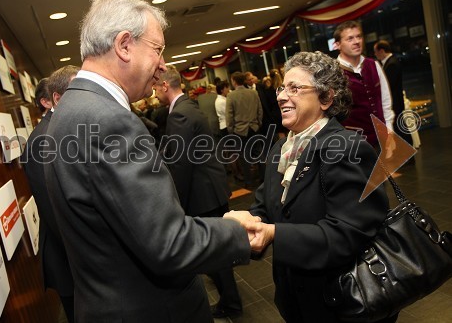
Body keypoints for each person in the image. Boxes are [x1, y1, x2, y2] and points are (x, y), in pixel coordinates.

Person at [44, 0, 255, 322]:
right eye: (157, 49)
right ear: (124, 45)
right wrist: (235, 230)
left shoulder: (70, 110)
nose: (162, 64)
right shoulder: (108, 119)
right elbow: (168, 243)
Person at [225, 51, 397, 323]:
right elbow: (266, 206)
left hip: (344, 303)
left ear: (326, 98)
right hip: (298, 301)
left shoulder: (347, 148)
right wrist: (250, 222)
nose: (281, 96)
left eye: (294, 88)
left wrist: (273, 234)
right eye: (282, 87)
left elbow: (348, 235)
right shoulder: (282, 148)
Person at [154, 65, 243, 319]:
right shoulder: (188, 107)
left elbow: (181, 164)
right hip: (211, 187)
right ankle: (230, 297)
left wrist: (176, 202)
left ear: (164, 86)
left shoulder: (179, 114)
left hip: (202, 192)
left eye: (155, 88)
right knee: (216, 250)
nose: (154, 94)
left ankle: (231, 303)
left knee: (215, 253)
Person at [22, 65, 79, 323]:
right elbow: (55, 210)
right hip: (72, 260)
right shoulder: (43, 141)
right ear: (55, 100)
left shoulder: (63, 128)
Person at [334, 21, 395, 151]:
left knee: (385, 171)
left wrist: (389, 129)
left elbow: (385, 100)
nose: (356, 41)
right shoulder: (334, 73)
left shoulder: (373, 64)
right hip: (353, 143)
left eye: (359, 36)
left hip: (380, 137)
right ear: (338, 44)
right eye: (350, 38)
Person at [226, 71, 263, 187]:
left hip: (240, 130)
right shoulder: (253, 93)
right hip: (254, 127)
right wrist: (258, 123)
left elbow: (229, 115)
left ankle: (248, 181)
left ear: (234, 81)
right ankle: (264, 178)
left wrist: (231, 129)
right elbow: (260, 110)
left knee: (243, 157)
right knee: (259, 154)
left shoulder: (231, 96)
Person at [374, 40, 412, 145]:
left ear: (381, 51)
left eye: (376, 51)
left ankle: (409, 155)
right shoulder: (390, 62)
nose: (375, 54)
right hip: (395, 101)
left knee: (400, 129)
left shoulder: (392, 63)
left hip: (395, 102)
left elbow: (389, 86)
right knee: (399, 128)